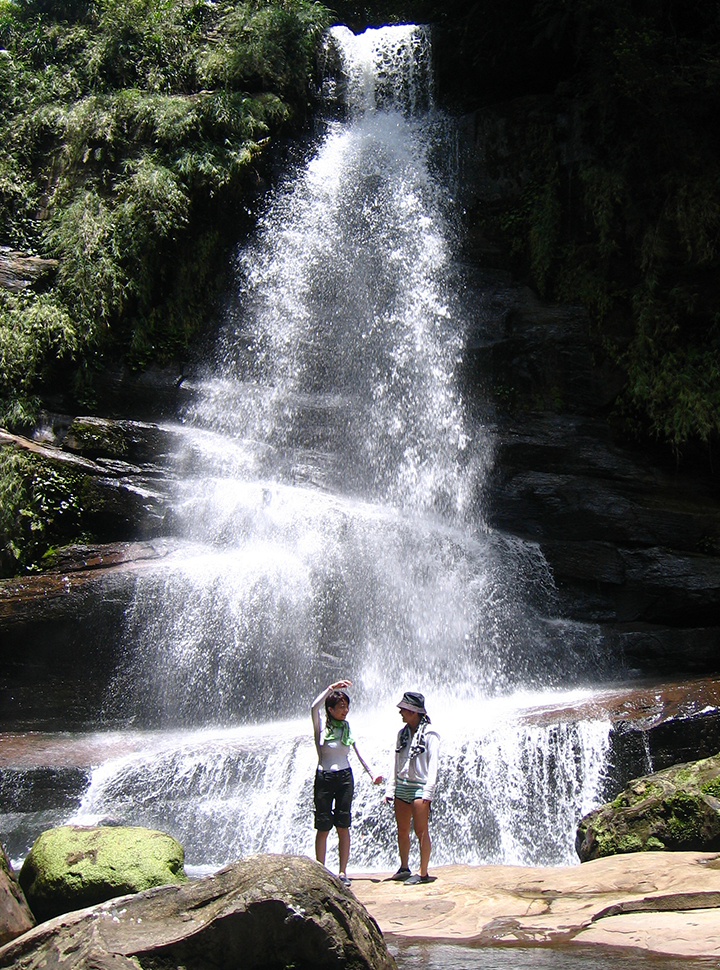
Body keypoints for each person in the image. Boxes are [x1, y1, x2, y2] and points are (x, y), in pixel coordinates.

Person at [311, 679, 383, 886]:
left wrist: (372, 773)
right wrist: (331, 689)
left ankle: (343, 872)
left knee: (343, 826)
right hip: (324, 777)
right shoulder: (321, 730)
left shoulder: (347, 730)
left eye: (347, 706)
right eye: (341, 707)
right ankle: (321, 871)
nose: (345, 710)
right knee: (323, 827)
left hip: (344, 778)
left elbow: (359, 753)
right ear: (330, 709)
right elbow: (313, 707)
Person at [386, 690, 440, 885]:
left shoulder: (430, 734)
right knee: (402, 830)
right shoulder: (402, 734)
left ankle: (423, 871)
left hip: (419, 786)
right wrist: (390, 788)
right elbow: (396, 760)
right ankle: (404, 867)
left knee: (421, 830)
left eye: (404, 709)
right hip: (402, 785)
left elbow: (433, 763)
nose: (401, 712)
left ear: (414, 712)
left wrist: (429, 790)